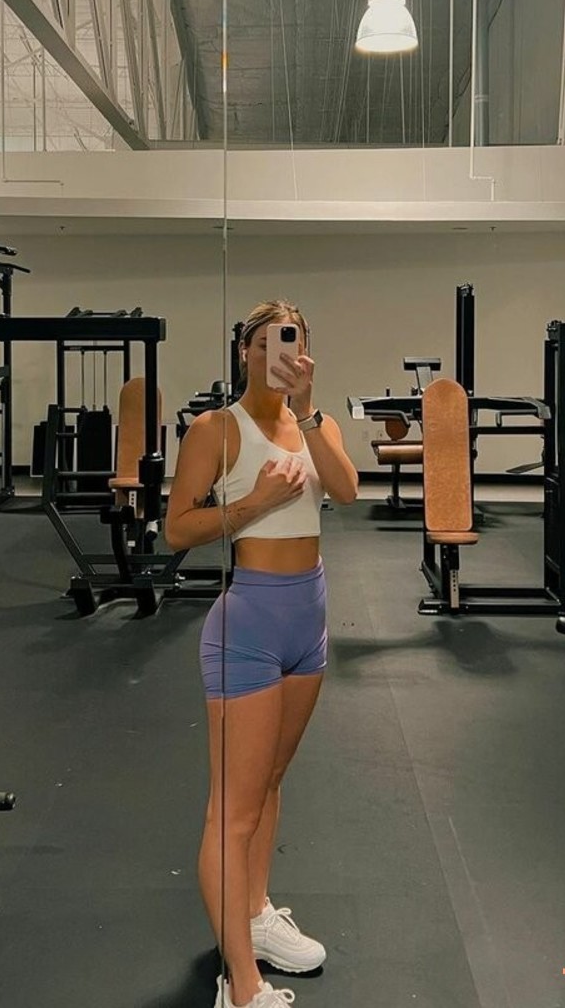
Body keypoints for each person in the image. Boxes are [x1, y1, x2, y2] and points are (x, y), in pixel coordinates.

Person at [165, 300, 359, 1008]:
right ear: (244, 350)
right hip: (248, 623)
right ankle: (241, 985)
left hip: (309, 621)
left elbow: (348, 491)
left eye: (292, 341)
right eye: (264, 342)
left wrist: (307, 415)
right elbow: (176, 530)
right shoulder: (216, 429)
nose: (278, 353)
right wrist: (251, 504)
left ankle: (253, 914)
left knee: (270, 783)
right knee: (233, 811)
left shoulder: (317, 424)